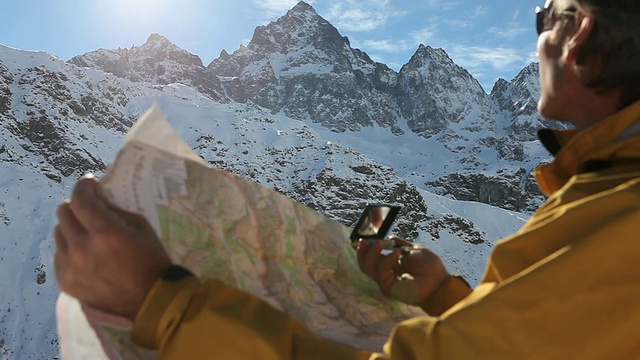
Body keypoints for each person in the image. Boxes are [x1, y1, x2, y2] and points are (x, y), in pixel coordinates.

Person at [54, 0, 640, 358]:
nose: (536, 34)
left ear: (578, 32)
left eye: (542, 15)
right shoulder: (608, 196)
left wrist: (163, 303)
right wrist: (443, 301)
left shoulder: (621, 221)